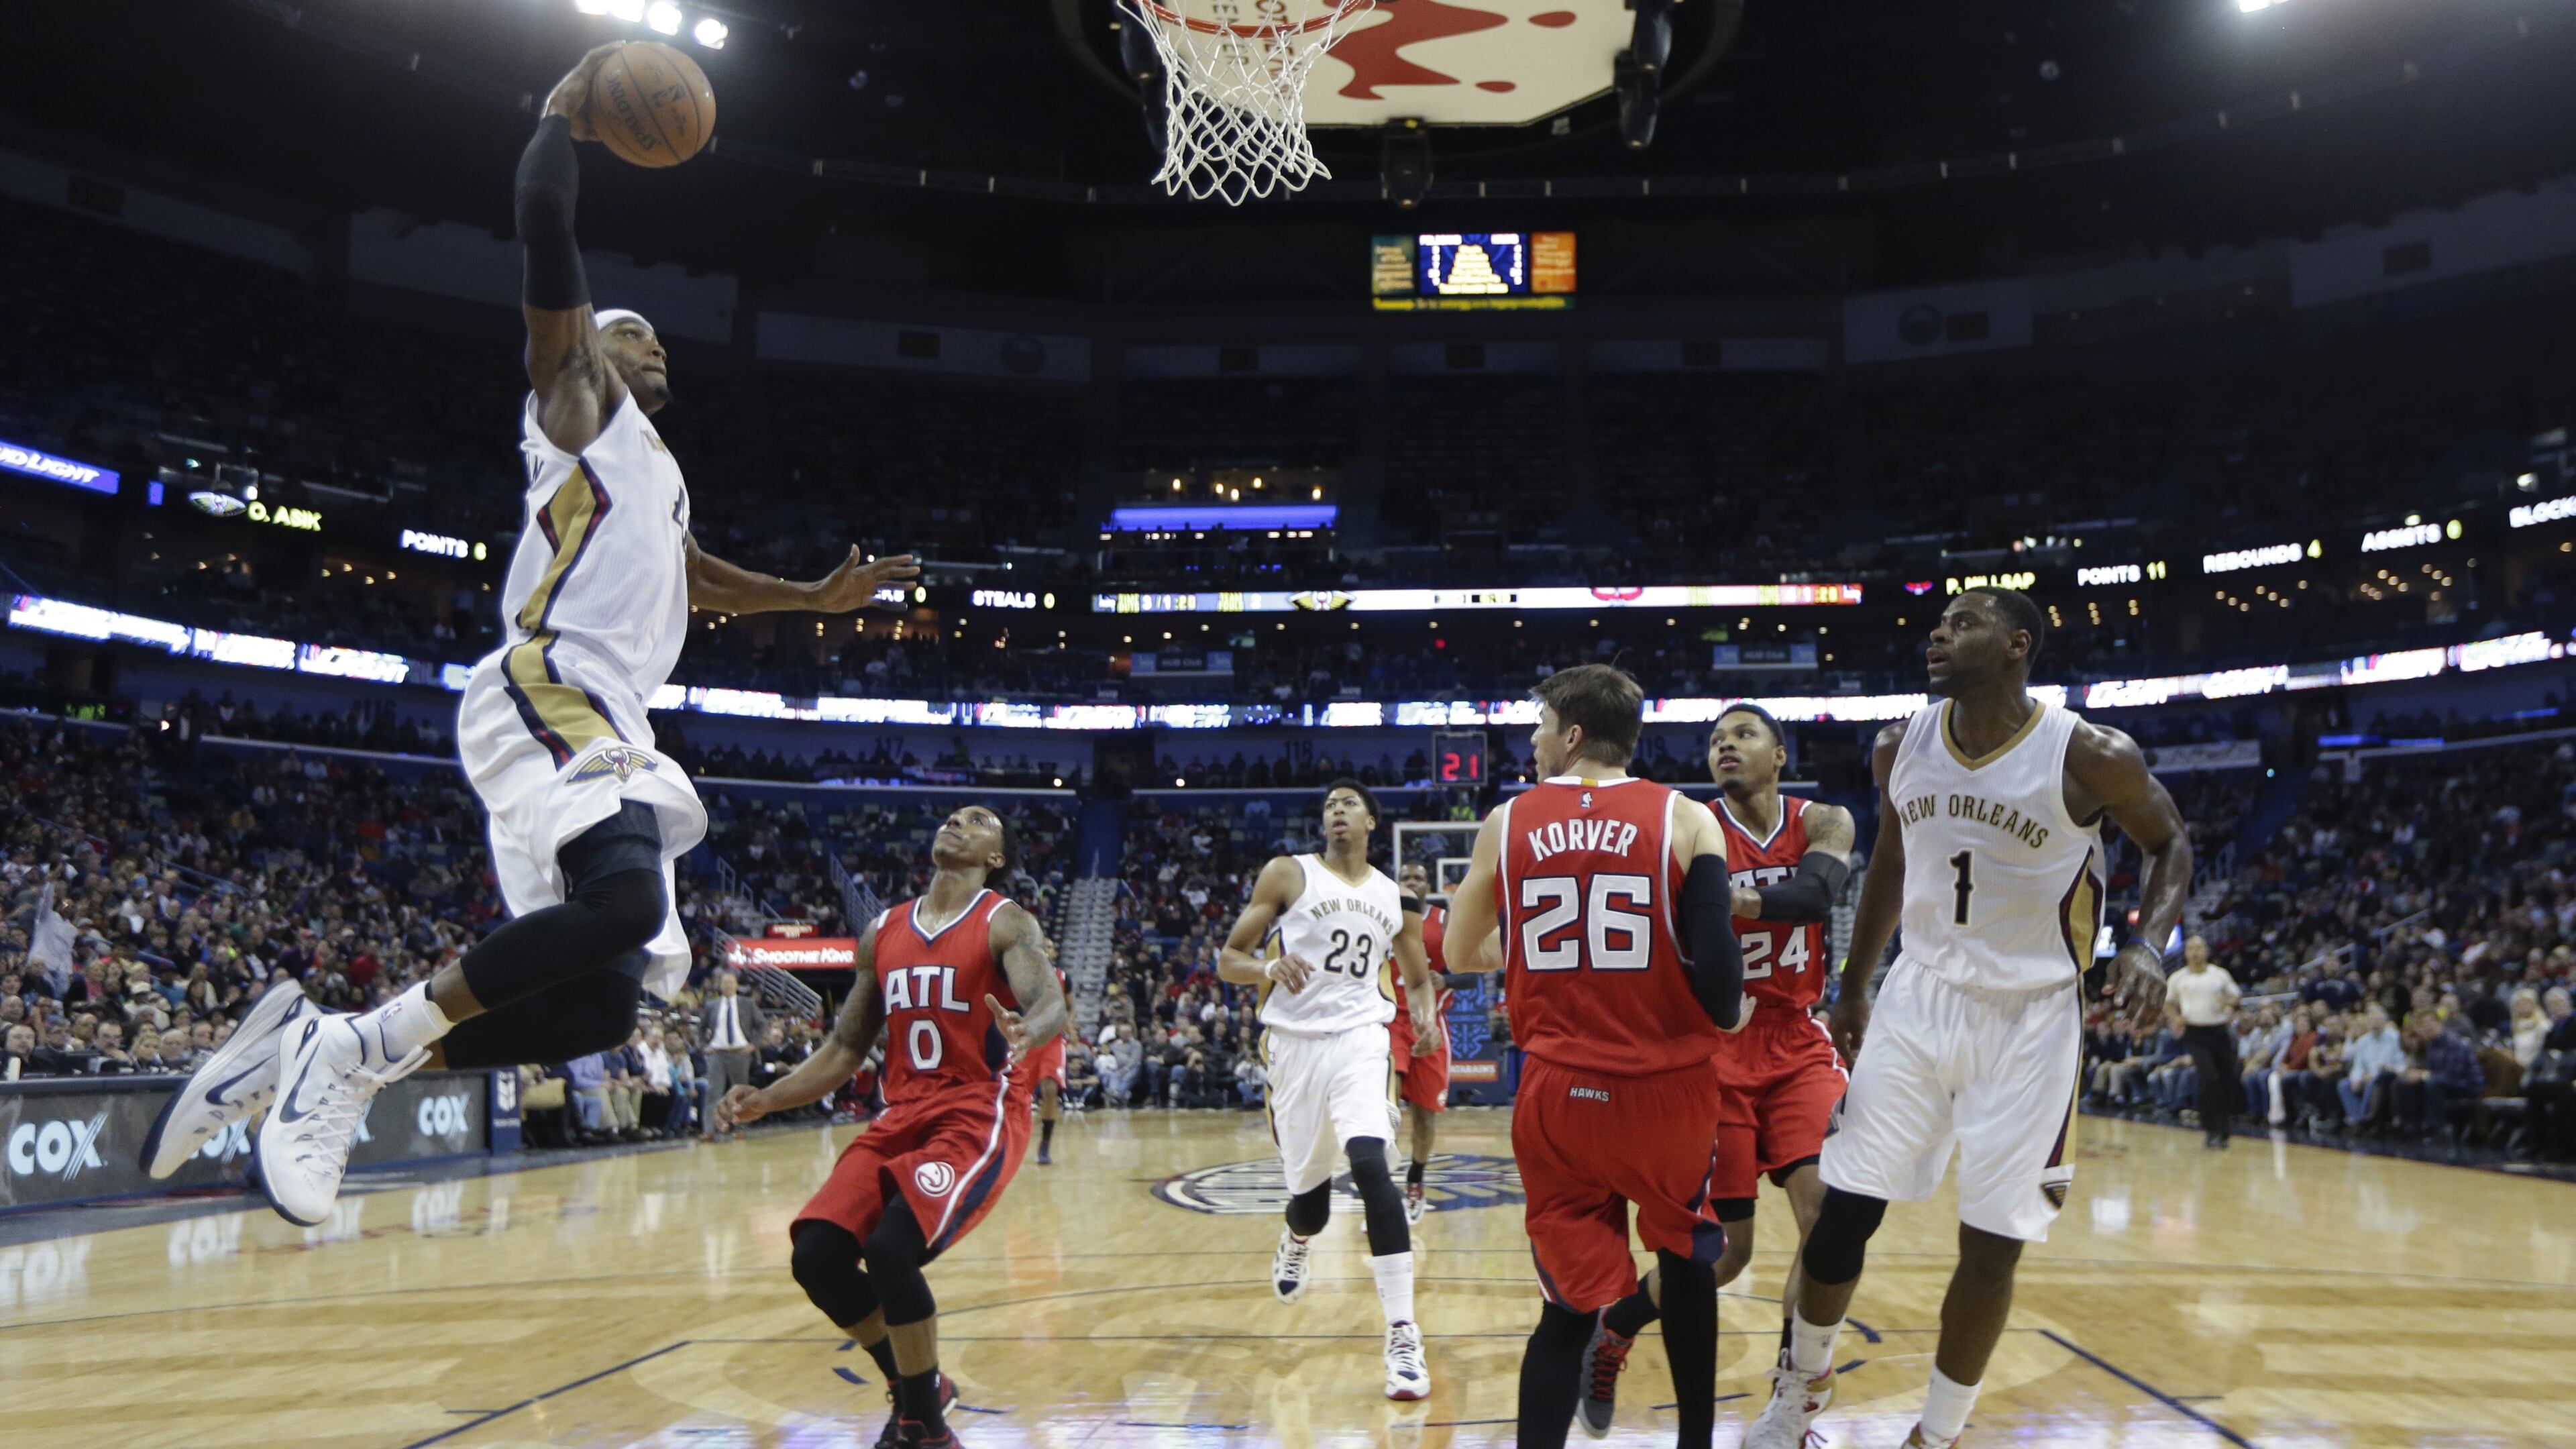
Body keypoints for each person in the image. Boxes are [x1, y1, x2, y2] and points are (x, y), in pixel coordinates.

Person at [139, 45, 919, 1225]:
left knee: (600, 1005)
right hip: (551, 680)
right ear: (592, 350)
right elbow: (546, 231)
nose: (654, 343)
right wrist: (562, 113)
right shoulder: (575, 402)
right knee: (627, 911)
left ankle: (308, 1050)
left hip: (607, 706)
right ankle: (352, 1050)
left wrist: (810, 600)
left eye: (656, 337)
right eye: (632, 328)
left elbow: (699, 577)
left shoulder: (653, 471)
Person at [1746, 587, 2191, 1449]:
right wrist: (1854, 983)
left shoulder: (2089, 753)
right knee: (1845, 1210)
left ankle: (1939, 1432)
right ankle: (1798, 1392)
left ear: (2018, 645)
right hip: (1920, 996)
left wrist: (2148, 945)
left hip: (2032, 1017)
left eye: (1962, 623)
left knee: (1992, 1244)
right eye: (1938, 622)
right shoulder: (1897, 746)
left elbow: (2169, 842)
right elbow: (1890, 858)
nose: (1937, 634)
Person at [1438, 663, 1750, 1449]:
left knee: (1564, 1313)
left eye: (1540, 727)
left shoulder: (1506, 823)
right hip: (1667, 1096)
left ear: (1573, 735)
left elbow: (1457, 951)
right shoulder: (1687, 818)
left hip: (1559, 1096)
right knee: (1685, 1267)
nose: (1534, 741)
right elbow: (1718, 985)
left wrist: (1543, 958)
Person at [720, 804, 1065, 1449]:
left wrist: (1029, 1029)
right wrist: (769, 1098)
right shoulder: (883, 930)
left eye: (978, 819)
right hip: (899, 1113)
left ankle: (924, 1429)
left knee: (889, 1251)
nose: (956, 821)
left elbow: (1049, 1004)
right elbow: (847, 1048)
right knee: (816, 1255)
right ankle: (918, 1387)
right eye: (953, 815)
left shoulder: (1004, 920)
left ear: (996, 856)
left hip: (974, 1110)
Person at [1215, 779, 1442, 1402]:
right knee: (1310, 1204)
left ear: (1372, 820)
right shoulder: (1289, 874)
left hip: (1361, 1039)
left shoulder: (1393, 897)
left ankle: (1402, 1333)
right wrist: (1265, 966)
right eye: (1328, 805)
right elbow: (1228, 958)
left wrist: (1422, 1014)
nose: (1336, 811)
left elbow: (1417, 979)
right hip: (1292, 1047)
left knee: (1373, 1167)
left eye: (1348, 804)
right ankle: (1296, 1240)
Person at [1685, 703, 1857, 1368]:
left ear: (1780, 754)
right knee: (1729, 1256)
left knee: (1830, 1224)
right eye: (1715, 740)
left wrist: (1732, 900)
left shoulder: (1823, 819)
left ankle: (1796, 1384)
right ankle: (1625, 1318)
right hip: (1718, 1046)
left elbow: (1816, 896)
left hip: (1794, 1043)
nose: (1726, 745)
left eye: (1744, 734)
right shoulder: (1694, 826)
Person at [1392, 861, 1458, 1222]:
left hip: (1430, 1024)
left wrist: (1447, 980)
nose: (1412, 882)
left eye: (1418, 878)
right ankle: (1381, 1193)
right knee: (1383, 1109)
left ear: (1428, 884)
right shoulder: (1382, 915)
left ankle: (1415, 1179)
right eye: (1406, 878)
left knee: (1424, 1119)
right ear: (1397, 883)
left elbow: (1471, 973)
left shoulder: (1445, 921)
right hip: (1386, 1022)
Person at [2167, 936, 2241, 1147]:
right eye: (2191, 949)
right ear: (2186, 953)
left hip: (2219, 1030)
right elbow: (2169, 1002)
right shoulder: (2178, 978)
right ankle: (2211, 1129)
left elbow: (2235, 997)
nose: (2195, 952)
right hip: (2195, 1032)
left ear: (2207, 951)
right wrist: (2175, 1018)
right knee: (2209, 1077)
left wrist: (2226, 1003)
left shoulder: (2219, 975)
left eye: (2199, 948)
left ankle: (2224, 1128)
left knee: (2227, 1079)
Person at [699, 970, 767, 1140]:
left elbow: (762, 1024)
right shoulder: (712, 1005)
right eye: (725, 983)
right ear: (720, 986)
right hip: (718, 1053)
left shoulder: (747, 1003)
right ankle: (709, 1130)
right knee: (713, 1092)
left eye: (731, 983)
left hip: (740, 1053)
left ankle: (740, 1128)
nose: (728, 986)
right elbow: (701, 1028)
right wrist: (704, 1046)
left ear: (737, 986)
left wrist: (753, 1045)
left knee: (740, 1094)